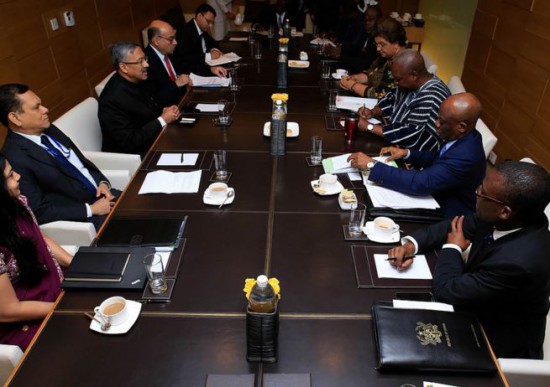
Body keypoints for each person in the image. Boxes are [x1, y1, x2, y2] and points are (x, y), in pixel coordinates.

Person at [387, 160, 550, 359]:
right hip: (475, 303)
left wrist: (452, 247)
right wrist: (411, 245)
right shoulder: (508, 217)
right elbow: (458, 225)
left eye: (482, 193)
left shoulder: (519, 263)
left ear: (505, 211)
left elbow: (447, 291)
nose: (476, 192)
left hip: (494, 343)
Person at [348, 93, 486, 218]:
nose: (436, 124)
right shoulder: (464, 135)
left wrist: (372, 165)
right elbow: (438, 159)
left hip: (447, 214)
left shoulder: (466, 155)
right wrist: (407, 153)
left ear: (461, 126)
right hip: (433, 193)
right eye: (438, 117)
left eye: (442, 121)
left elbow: (420, 183)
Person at [0, 84, 118, 228]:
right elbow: (39, 210)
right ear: (15, 118)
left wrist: (102, 183)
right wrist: (91, 210)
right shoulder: (15, 157)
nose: (45, 109)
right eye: (36, 107)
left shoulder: (48, 128)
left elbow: (81, 164)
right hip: (85, 219)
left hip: (106, 197)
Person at [0, 153, 73, 350]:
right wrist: (63, 308)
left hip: (52, 285)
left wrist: (74, 264)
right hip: (24, 319)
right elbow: (7, 311)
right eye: (9, 176)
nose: (17, 176)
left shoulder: (17, 202)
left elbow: (39, 238)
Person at [357, 49, 450, 152]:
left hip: (414, 155)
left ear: (414, 75)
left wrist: (369, 127)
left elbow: (410, 134)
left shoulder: (431, 96)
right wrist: (372, 112)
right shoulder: (408, 82)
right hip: (393, 136)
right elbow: (391, 99)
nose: (395, 83)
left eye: (398, 79)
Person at [98, 41, 180, 156]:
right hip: (135, 156)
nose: (146, 64)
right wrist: (162, 120)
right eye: (140, 61)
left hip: (155, 140)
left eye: (145, 59)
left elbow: (148, 107)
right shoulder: (111, 99)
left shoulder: (137, 79)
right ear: (124, 67)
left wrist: (164, 111)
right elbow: (129, 141)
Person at [340, 17, 407, 98]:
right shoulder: (386, 56)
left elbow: (381, 94)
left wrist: (353, 85)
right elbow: (372, 74)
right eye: (377, 44)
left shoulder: (402, 63)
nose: (378, 49)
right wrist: (355, 78)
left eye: (382, 44)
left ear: (396, 43)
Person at [325, 5, 383, 74]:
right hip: (355, 71)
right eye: (365, 19)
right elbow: (355, 49)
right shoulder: (366, 33)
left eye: (371, 19)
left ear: (379, 20)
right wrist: (341, 49)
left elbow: (364, 64)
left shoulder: (379, 40)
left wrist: (340, 56)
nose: (367, 22)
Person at [172, 4, 224, 71]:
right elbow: (185, 57)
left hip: (205, 67)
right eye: (208, 21)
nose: (210, 25)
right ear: (199, 16)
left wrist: (214, 49)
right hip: (193, 71)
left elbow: (212, 42)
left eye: (212, 23)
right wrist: (209, 56)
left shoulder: (203, 29)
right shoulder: (184, 32)